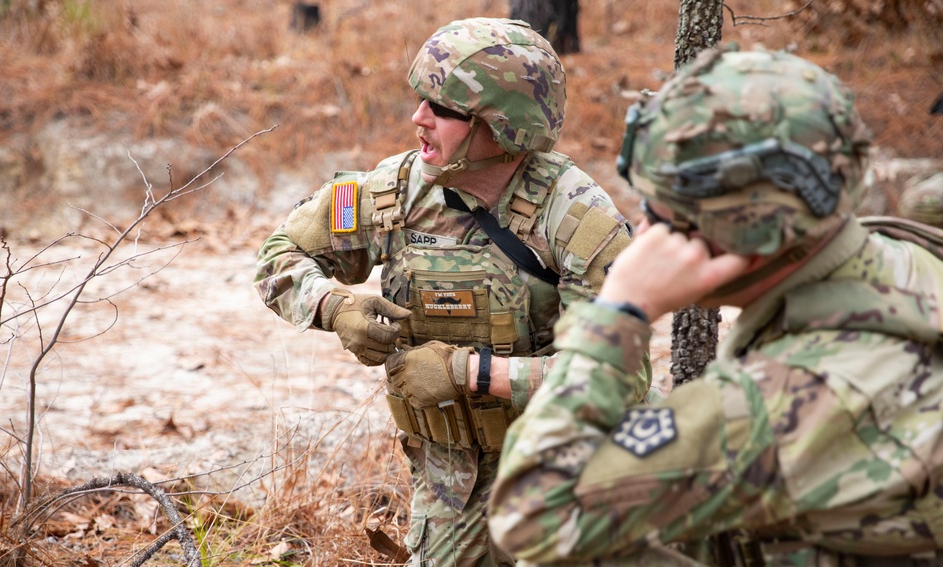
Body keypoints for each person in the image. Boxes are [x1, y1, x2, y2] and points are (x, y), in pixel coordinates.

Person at [487, 45, 943, 566]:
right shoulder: (908, 259)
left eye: (662, 215)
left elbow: (530, 515)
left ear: (744, 235)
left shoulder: (780, 403)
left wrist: (618, 315)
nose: (646, 234)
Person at [253, 17, 645, 567]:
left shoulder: (577, 221)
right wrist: (334, 306)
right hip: (451, 484)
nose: (419, 119)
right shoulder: (394, 192)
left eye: (443, 109)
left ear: (502, 127)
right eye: (420, 100)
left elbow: (617, 380)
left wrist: (470, 373)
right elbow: (278, 258)